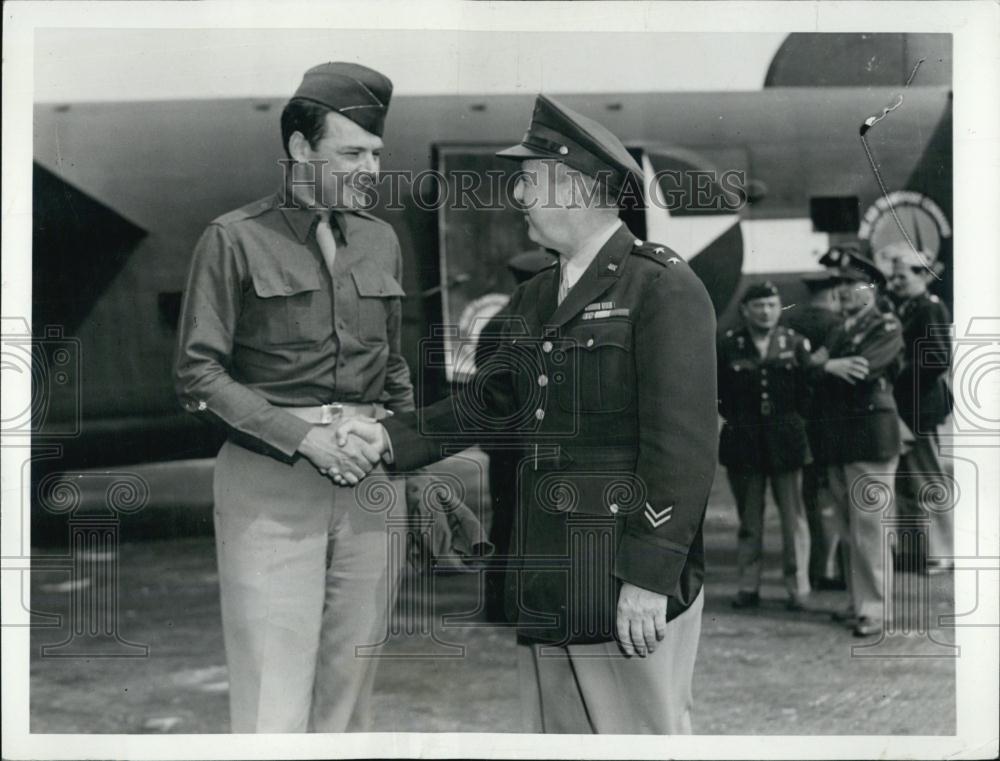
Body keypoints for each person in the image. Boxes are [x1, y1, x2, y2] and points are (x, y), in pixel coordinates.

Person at [338, 94, 718, 734]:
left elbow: (682, 445)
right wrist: (386, 435)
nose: (518, 197)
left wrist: (650, 575)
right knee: (562, 737)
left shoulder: (661, 287)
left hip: (622, 575)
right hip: (548, 571)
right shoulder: (535, 296)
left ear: (575, 190)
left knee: (640, 735)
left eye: (529, 181)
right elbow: (491, 403)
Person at [173, 62, 413, 732]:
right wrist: (303, 438)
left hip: (370, 478)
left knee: (351, 686)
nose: (369, 168)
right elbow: (198, 373)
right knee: (273, 690)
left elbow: (394, 366)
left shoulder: (382, 239)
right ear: (301, 150)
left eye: (375, 153)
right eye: (351, 152)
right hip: (272, 477)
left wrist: (404, 449)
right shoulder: (233, 238)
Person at [810, 251, 904, 638]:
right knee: (849, 526)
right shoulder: (840, 329)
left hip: (869, 438)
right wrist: (825, 366)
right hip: (841, 438)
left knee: (870, 527)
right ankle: (859, 601)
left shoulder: (884, 325)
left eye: (851, 284)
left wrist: (823, 365)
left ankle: (876, 609)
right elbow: (818, 369)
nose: (843, 291)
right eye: (839, 285)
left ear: (874, 288)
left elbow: (862, 369)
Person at [718, 281, 813, 611]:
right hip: (744, 441)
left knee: (793, 519)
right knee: (749, 521)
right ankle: (748, 585)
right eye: (759, 305)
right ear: (745, 310)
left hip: (786, 440)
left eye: (772, 305)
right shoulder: (729, 345)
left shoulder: (795, 343)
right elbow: (720, 395)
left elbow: (807, 392)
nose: (766, 311)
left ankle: (797, 587)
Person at [474, 249, 558, 622]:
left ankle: (497, 603)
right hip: (527, 442)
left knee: (503, 520)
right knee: (530, 522)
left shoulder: (495, 323)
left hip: (502, 444)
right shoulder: (538, 321)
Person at [885, 244, 954, 573]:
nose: (895, 282)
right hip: (909, 407)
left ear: (923, 275)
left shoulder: (929, 308)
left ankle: (942, 552)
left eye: (902, 276)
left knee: (928, 480)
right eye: (893, 276)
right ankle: (915, 550)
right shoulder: (910, 306)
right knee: (907, 483)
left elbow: (938, 358)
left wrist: (898, 370)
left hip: (920, 409)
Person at [782, 269, 849, 590]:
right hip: (832, 419)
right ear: (835, 293)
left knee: (808, 495)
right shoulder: (838, 325)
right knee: (831, 495)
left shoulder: (792, 323)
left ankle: (813, 565)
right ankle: (828, 568)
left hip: (801, 418)